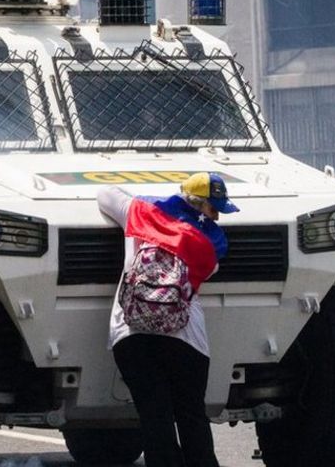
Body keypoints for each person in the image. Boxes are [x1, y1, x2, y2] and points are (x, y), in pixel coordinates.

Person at [97, 172, 238, 467]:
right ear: (201, 208)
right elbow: (207, 273)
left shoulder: (140, 213)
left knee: (154, 418)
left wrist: (151, 203)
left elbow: (106, 195)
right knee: (191, 417)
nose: (217, 218)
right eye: (214, 210)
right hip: (185, 337)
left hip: (130, 332)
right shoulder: (212, 243)